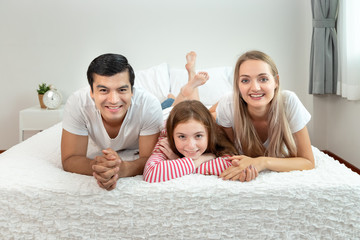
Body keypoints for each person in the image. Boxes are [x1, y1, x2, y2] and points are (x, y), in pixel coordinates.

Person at [61, 53, 163, 191]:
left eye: (122, 90)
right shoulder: (77, 103)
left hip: (162, 110)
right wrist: (99, 167)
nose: (114, 100)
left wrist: (123, 169)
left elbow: (150, 160)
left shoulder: (149, 105)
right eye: (103, 90)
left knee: (171, 105)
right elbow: (70, 159)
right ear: (91, 91)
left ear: (132, 90)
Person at [217, 50, 315, 181]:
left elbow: (308, 161)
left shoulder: (288, 102)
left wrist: (262, 162)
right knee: (202, 116)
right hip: (222, 109)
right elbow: (230, 154)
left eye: (263, 79)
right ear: (237, 85)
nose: (255, 88)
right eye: (245, 80)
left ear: (276, 82)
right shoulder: (228, 105)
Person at [143, 100, 240, 183]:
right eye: (182, 136)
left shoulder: (216, 134)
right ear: (172, 136)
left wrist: (176, 161)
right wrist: (202, 159)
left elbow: (232, 164)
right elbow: (151, 173)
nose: (191, 146)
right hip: (166, 111)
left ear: (209, 134)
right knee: (169, 102)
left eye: (198, 136)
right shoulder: (165, 140)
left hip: (205, 115)